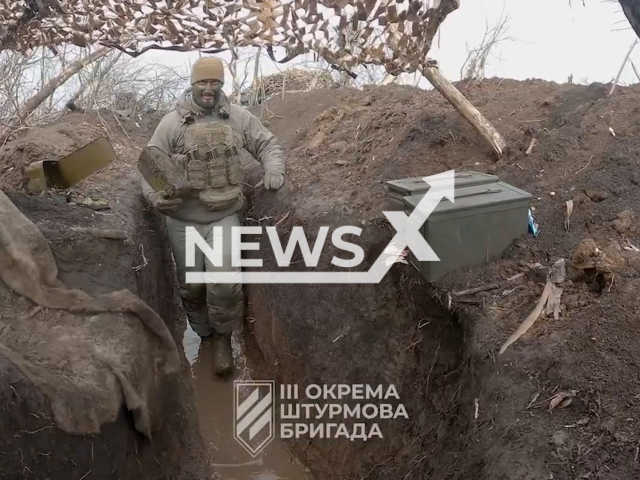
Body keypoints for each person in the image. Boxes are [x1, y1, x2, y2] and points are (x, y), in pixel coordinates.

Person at [138, 56, 285, 377]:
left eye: (214, 82)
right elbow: (148, 166)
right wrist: (153, 197)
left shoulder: (237, 118)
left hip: (224, 215)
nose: (208, 88)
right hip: (182, 220)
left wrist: (273, 169)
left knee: (224, 284)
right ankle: (202, 333)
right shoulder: (172, 124)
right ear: (192, 84)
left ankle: (222, 339)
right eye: (202, 82)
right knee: (191, 286)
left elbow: (267, 143)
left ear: (221, 84)